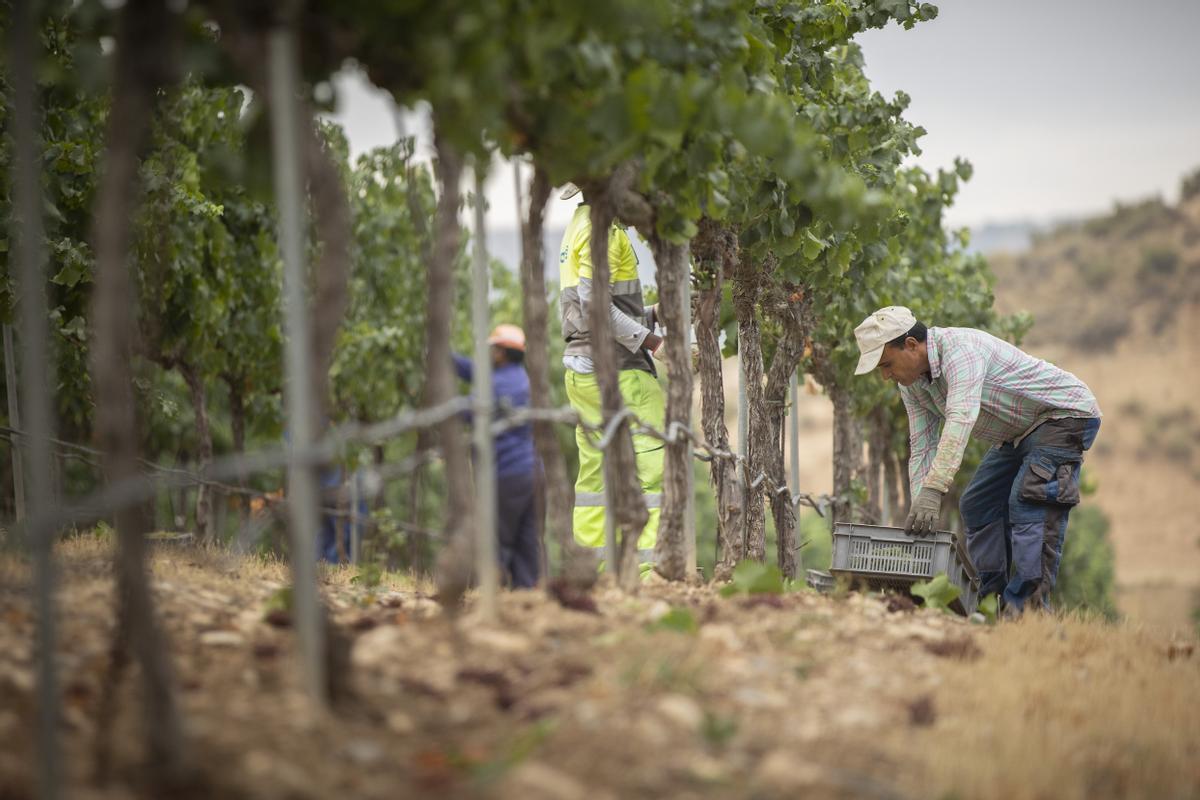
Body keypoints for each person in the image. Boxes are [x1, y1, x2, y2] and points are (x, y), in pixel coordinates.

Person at [854, 306, 1102, 614]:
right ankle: (991, 604)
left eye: (887, 364)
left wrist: (935, 489)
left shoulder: (962, 352)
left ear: (911, 345)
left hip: (1063, 415)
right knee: (976, 504)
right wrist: (922, 503)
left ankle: (1028, 612)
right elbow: (921, 444)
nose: (885, 375)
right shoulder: (914, 384)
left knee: (1028, 500)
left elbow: (960, 418)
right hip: (1018, 432)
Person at [557, 183, 667, 570]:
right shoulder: (602, 228)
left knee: (594, 477)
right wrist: (652, 341)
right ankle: (648, 574)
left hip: (581, 367)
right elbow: (595, 307)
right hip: (618, 369)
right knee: (652, 469)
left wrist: (651, 312)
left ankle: (594, 573)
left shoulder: (579, 223)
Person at [453, 324, 542, 588]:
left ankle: (491, 598)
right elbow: (475, 372)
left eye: (492, 350)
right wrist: (451, 359)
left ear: (501, 354)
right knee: (527, 542)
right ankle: (527, 598)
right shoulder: (522, 380)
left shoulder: (493, 385)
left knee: (496, 541)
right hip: (533, 474)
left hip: (505, 474)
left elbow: (469, 412)